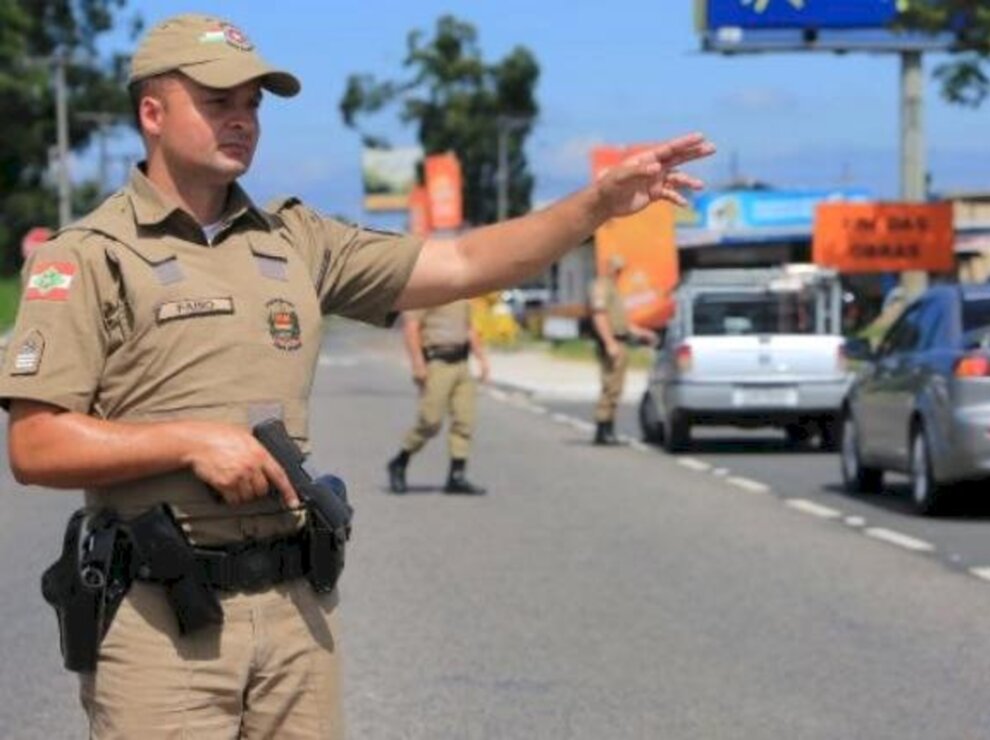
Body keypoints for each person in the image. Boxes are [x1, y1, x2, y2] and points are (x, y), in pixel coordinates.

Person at [0, 12, 714, 739]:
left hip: (294, 615)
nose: (242, 120)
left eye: (253, 105)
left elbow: (464, 263)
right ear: (152, 113)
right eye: (218, 103)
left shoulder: (297, 239)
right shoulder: (88, 256)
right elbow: (36, 446)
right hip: (161, 621)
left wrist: (594, 205)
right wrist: (189, 443)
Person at [386, 299, 489, 495]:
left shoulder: (463, 295)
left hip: (461, 364)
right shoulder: (431, 293)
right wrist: (418, 364)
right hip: (437, 363)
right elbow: (412, 328)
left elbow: (469, 328)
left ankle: (456, 476)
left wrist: (481, 358)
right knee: (430, 421)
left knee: (464, 421)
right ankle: (400, 462)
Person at [589, 254, 658, 445]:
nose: (619, 272)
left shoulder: (614, 288)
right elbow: (599, 316)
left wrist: (643, 333)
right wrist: (609, 342)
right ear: (608, 268)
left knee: (616, 387)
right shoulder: (602, 286)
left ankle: (608, 428)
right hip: (612, 342)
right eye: (616, 268)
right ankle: (603, 429)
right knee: (610, 386)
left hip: (621, 340)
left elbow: (622, 323)